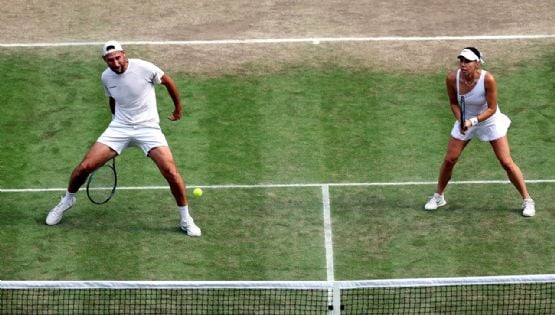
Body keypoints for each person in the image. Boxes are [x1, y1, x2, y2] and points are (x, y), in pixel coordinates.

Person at [45, 40, 201, 236]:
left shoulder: (145, 68)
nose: (116, 63)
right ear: (105, 60)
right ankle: (67, 200)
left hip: (148, 128)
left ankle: (186, 220)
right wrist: (115, 122)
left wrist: (178, 109)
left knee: (170, 171)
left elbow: (168, 82)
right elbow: (113, 98)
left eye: (118, 58)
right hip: (119, 128)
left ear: (124, 54)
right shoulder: (106, 77)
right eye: (110, 60)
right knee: (84, 167)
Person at [424, 47, 535, 217]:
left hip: (489, 121)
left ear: (477, 63)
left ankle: (527, 200)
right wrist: (461, 120)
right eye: (461, 60)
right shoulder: (452, 78)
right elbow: (453, 103)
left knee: (506, 162)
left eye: (467, 61)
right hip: (465, 120)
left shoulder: (488, 79)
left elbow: (491, 108)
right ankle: (438, 197)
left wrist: (473, 121)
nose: (463, 64)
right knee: (449, 159)